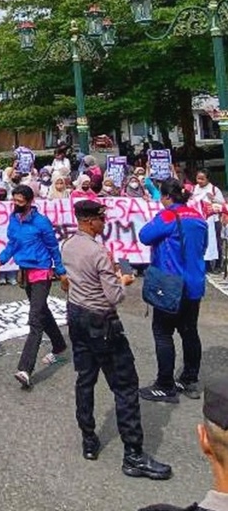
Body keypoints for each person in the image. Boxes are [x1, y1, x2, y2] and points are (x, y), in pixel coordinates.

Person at [61, 200, 172, 480]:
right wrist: (123, 280)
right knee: (125, 385)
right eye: (101, 218)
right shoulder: (98, 252)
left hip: (77, 316)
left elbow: (72, 281)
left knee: (85, 379)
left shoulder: (68, 244)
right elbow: (114, 296)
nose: (105, 222)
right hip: (101, 321)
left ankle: (88, 439)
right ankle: (133, 454)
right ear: (90, 221)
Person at [0, 185, 69, 389]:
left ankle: (25, 369)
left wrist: (61, 272)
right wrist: (0, 261)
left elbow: (53, 248)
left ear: (30, 201)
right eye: (14, 200)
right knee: (42, 311)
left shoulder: (41, 222)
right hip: (25, 272)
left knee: (35, 320)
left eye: (20, 201)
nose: (16, 204)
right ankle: (59, 345)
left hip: (42, 272)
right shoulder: (14, 219)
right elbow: (12, 244)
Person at [138, 178, 208, 403]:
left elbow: (144, 236)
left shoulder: (168, 216)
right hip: (194, 284)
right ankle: (190, 379)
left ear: (167, 196)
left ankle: (165, 384)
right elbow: (204, 246)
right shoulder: (198, 216)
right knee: (189, 332)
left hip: (170, 284)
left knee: (162, 332)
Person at [191, 169, 225, 273]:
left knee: (216, 242)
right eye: (198, 178)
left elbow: (223, 204)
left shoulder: (214, 189)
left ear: (208, 179)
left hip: (213, 220)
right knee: (203, 242)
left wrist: (213, 198)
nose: (200, 181)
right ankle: (206, 265)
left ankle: (218, 264)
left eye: (202, 179)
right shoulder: (194, 189)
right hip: (199, 220)